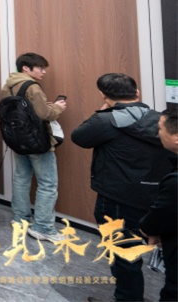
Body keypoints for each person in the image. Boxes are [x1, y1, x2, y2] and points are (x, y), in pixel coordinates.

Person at [71, 73, 172, 302]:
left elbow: (79, 137)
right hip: (155, 198)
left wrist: (102, 111)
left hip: (117, 199)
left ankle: (127, 298)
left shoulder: (105, 120)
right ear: (137, 93)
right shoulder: (162, 120)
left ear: (103, 96)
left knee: (122, 254)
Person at [2, 52, 67, 243]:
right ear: (26, 68)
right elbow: (45, 115)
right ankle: (43, 227)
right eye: (40, 68)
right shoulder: (32, 86)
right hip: (37, 141)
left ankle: (20, 219)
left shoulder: (8, 85)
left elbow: (21, 110)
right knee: (47, 184)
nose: (44, 72)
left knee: (21, 178)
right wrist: (58, 108)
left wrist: (44, 106)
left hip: (17, 139)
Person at [140, 105, 177, 302]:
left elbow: (161, 215)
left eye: (160, 128)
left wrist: (148, 229)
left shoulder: (174, 182)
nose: (157, 132)